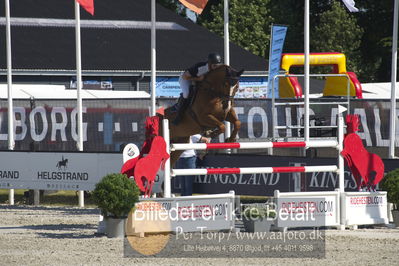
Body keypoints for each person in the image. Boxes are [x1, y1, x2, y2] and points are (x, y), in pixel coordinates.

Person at [173, 53, 223, 125]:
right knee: (186, 94)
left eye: (217, 65)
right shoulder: (200, 68)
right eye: (214, 65)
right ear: (209, 63)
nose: (216, 67)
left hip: (198, 81)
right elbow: (185, 76)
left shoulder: (216, 68)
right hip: (186, 79)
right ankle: (179, 115)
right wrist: (198, 79)